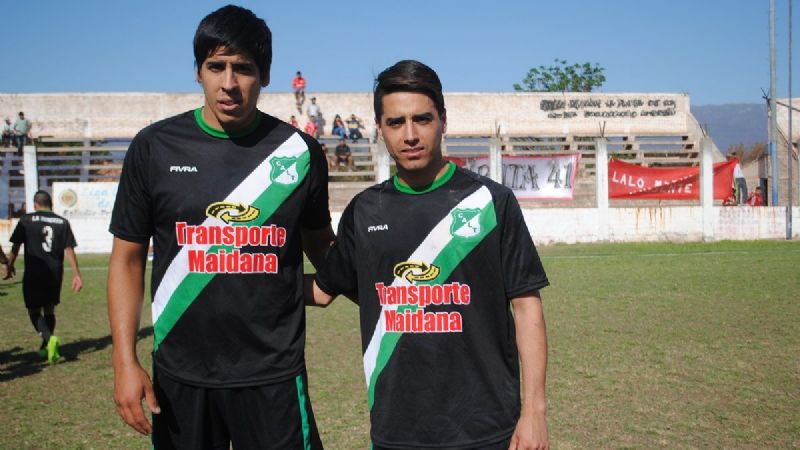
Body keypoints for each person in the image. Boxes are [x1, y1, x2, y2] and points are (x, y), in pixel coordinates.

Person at [107, 6, 332, 449]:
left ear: (264, 75)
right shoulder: (154, 147)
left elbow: (325, 252)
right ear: (198, 72)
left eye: (243, 69)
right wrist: (123, 361)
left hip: (274, 375)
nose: (229, 83)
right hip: (179, 377)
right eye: (216, 66)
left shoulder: (300, 152)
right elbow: (127, 261)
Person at [307, 60, 550, 449]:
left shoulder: (491, 202)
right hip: (397, 431)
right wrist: (238, 276)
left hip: (487, 428)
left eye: (422, 119)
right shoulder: (365, 210)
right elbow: (321, 291)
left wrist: (534, 413)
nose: (410, 135)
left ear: (443, 120)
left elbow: (526, 307)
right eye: (395, 122)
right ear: (379, 128)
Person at [6, 190, 82, 364]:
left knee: (33, 309)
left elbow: (16, 245)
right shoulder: (62, 222)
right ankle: (45, 347)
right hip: (55, 272)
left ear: (35, 205)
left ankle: (49, 339)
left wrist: (9, 265)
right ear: (51, 204)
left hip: (34, 271)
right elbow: (69, 249)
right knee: (49, 308)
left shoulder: (26, 220)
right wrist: (77, 274)